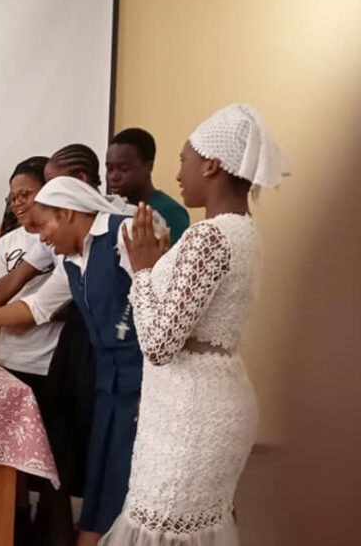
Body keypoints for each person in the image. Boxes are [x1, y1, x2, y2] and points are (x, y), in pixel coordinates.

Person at [100, 104, 289, 545]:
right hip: (205, 398)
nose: (178, 173)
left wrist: (143, 270)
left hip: (191, 413)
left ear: (212, 165)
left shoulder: (208, 236)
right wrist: (161, 266)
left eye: (184, 160)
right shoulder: (244, 232)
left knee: (163, 525)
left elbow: (159, 343)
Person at [0, 175, 144, 546]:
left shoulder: (125, 235)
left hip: (140, 382)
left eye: (43, 225)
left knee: (134, 481)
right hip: (106, 381)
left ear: (67, 213)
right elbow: (35, 307)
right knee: (102, 477)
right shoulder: (72, 261)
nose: (41, 238)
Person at [0, 157, 77, 545]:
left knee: (54, 458)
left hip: (50, 364)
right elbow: (1, 291)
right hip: (10, 362)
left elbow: (53, 305)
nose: (19, 203)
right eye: (13, 196)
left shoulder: (64, 238)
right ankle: (16, 523)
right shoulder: (10, 243)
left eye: (27, 194)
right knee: (12, 457)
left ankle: (52, 528)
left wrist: (29, 313)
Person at [106, 128, 191, 242]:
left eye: (123, 169)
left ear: (148, 167)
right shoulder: (116, 210)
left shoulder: (171, 212)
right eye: (110, 169)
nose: (114, 177)